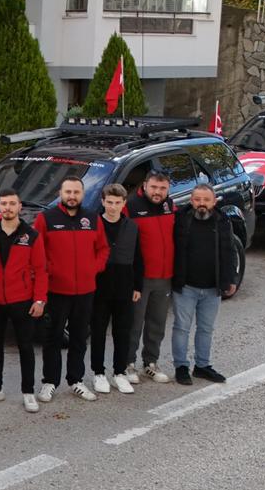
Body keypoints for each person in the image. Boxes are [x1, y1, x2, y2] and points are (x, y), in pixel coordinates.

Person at [34, 177, 110, 403]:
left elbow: (103, 249)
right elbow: (38, 253)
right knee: (53, 338)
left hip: (86, 290)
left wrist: (92, 269)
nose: (72, 196)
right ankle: (49, 382)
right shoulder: (46, 218)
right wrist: (51, 271)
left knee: (78, 338)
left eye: (76, 192)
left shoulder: (92, 218)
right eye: (68, 191)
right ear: (60, 192)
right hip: (57, 290)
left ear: (82, 195)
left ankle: (76, 380)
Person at [0, 189, 48, 413]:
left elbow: (41, 270)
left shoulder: (31, 235)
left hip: (22, 300)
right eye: (3, 203)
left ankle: (28, 392)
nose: (7, 208)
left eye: (12, 203)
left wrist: (40, 300)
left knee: (26, 347)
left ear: (20, 207)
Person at [170, 184, 237, 385]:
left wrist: (230, 280)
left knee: (206, 329)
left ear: (213, 201)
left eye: (206, 200)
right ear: (191, 201)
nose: (201, 204)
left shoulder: (223, 221)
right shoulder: (181, 219)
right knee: (181, 328)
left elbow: (230, 252)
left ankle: (202, 366)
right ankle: (181, 367)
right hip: (186, 286)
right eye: (197, 199)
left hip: (212, 288)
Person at [89, 184, 144, 396]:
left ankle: (119, 372)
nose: (113, 207)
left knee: (123, 331)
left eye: (117, 203)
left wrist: (137, 285)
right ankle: (98, 373)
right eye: (109, 202)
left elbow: (138, 257)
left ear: (124, 204)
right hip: (99, 285)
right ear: (102, 202)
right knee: (99, 331)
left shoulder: (131, 226)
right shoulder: (93, 224)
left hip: (124, 284)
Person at [127, 171, 177, 384]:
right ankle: (127, 364)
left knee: (157, 323)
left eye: (162, 188)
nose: (158, 192)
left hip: (164, 276)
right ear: (145, 185)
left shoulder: (170, 206)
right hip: (140, 278)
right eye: (154, 187)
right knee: (133, 324)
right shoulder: (130, 207)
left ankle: (150, 363)